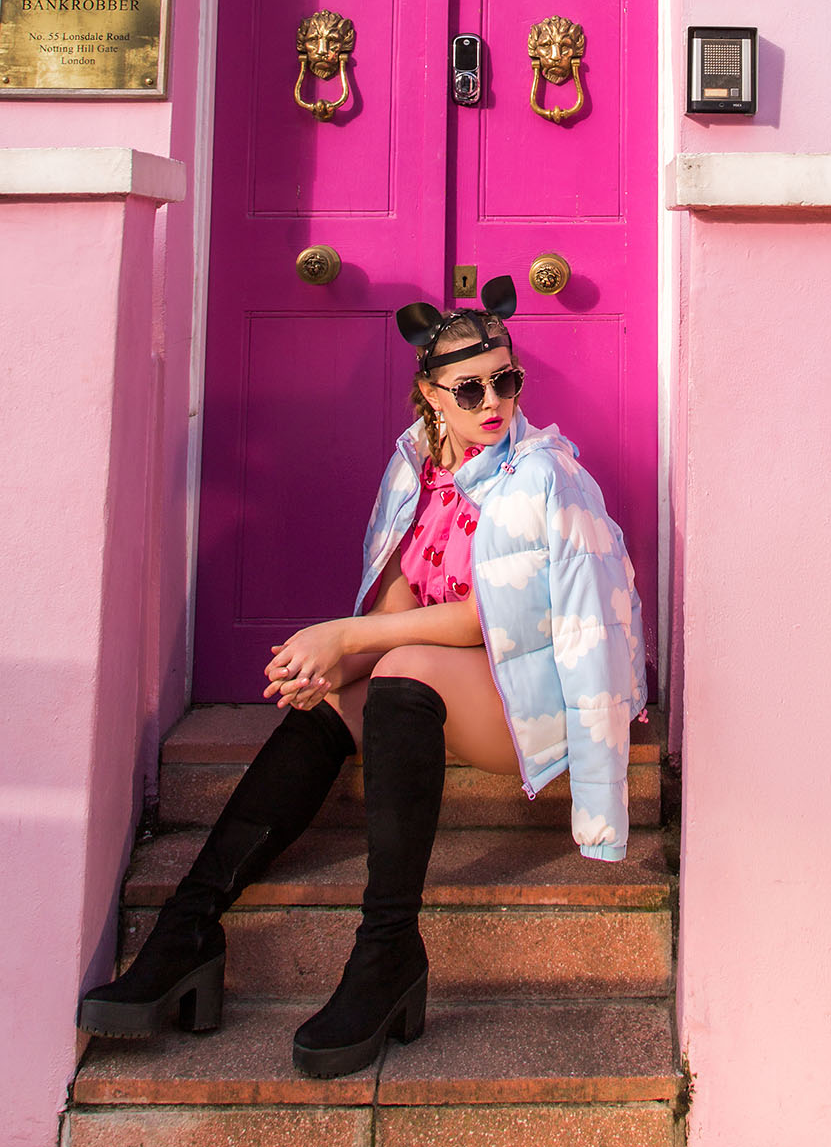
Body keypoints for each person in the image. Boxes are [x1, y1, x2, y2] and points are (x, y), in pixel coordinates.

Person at [77, 278, 645, 1078]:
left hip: (532, 689)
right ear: (429, 394)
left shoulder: (540, 476)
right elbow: (398, 600)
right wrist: (334, 666)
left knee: (400, 669)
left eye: (506, 381)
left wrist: (345, 635)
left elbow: (491, 620)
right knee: (333, 703)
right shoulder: (416, 469)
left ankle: (385, 952)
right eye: (471, 387)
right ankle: (187, 932)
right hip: (453, 685)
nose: (494, 402)